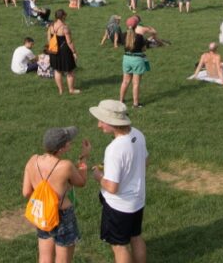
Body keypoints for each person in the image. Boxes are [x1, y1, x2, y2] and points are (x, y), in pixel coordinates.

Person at [89, 100, 147, 263]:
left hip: (119, 205)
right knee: (136, 237)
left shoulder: (114, 149)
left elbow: (112, 187)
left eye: (102, 121)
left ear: (112, 123)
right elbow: (145, 161)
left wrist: (99, 176)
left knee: (119, 246)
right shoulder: (137, 134)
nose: (99, 125)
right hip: (137, 200)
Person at [23, 127, 91, 263]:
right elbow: (82, 182)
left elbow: (26, 192)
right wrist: (84, 158)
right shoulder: (65, 166)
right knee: (63, 259)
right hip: (63, 215)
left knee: (45, 257)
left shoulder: (33, 160)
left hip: (43, 212)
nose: (70, 143)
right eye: (68, 142)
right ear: (61, 149)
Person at [120, 18, 155, 108]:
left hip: (126, 58)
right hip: (137, 59)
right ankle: (135, 104)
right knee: (135, 83)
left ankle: (121, 101)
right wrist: (148, 41)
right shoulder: (139, 37)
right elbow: (143, 49)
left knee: (125, 81)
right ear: (137, 26)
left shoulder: (123, 35)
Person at [48, 10, 81, 95]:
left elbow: (49, 39)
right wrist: (74, 52)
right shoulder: (65, 28)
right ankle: (71, 90)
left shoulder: (51, 26)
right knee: (70, 71)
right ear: (62, 16)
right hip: (64, 51)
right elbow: (69, 42)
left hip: (54, 51)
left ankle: (61, 90)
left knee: (57, 71)